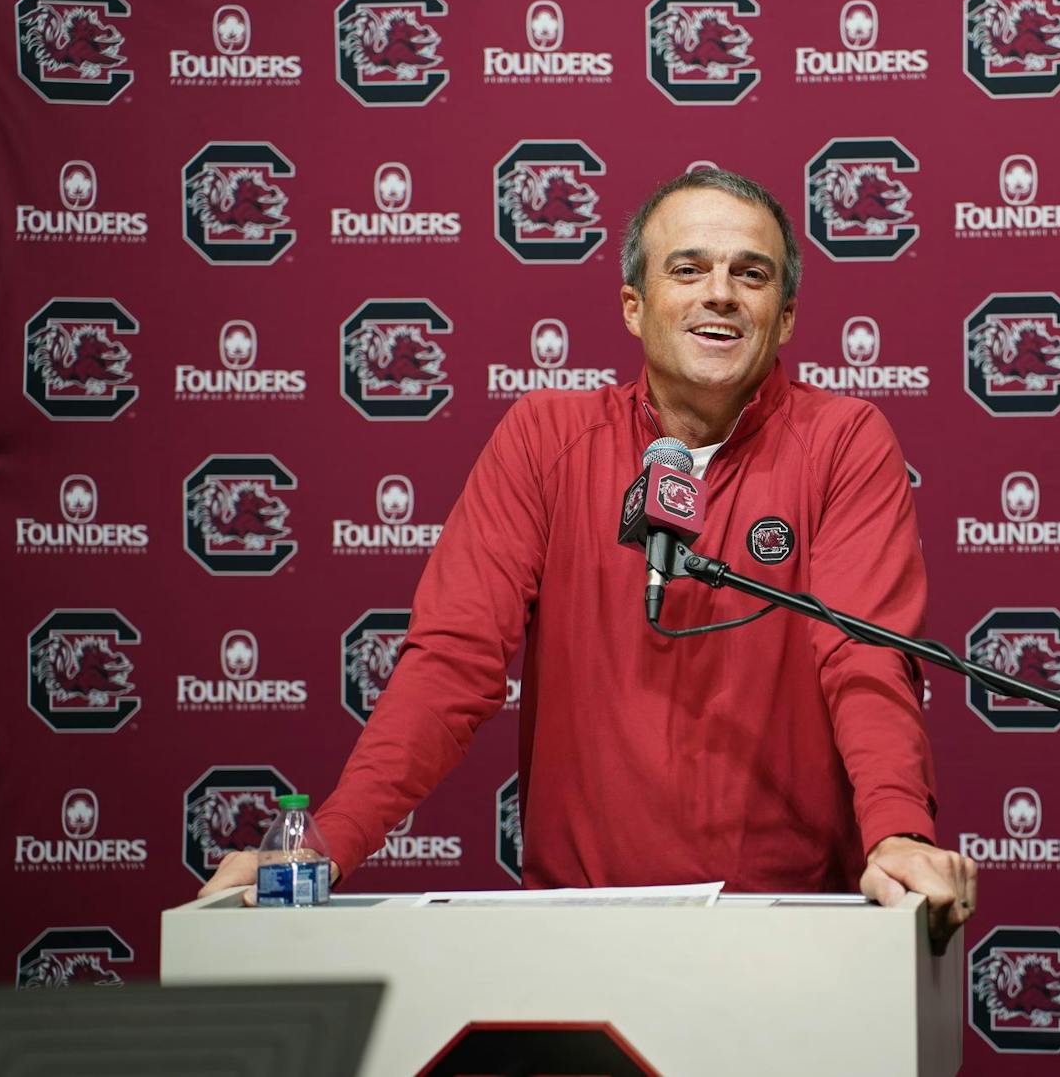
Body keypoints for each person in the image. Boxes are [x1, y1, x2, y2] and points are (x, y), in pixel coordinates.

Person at [200, 169, 977, 952]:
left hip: (792, 924)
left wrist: (899, 832)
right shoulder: (545, 438)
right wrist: (328, 842)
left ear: (785, 318)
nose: (721, 293)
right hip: (583, 932)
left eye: (752, 273)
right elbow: (452, 661)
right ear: (633, 307)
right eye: (688, 268)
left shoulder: (844, 439)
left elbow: (866, 656)